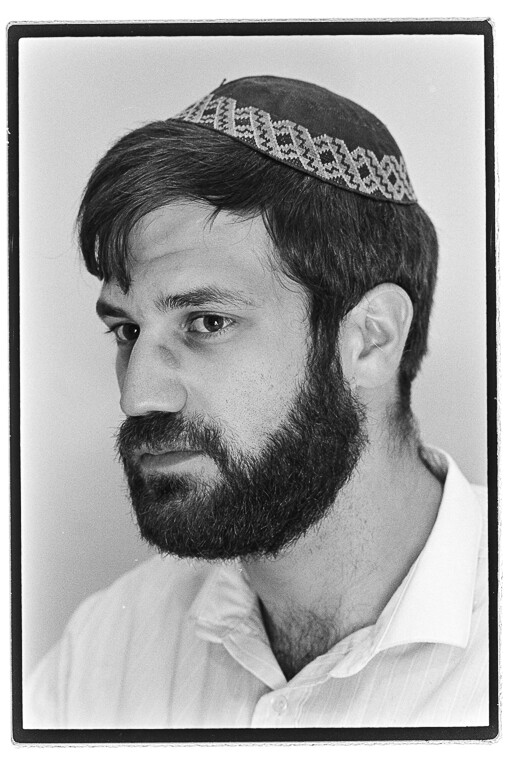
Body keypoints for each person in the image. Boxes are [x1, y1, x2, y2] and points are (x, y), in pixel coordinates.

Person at [25, 75, 488, 729]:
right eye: (127, 330)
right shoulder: (107, 650)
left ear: (370, 338)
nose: (136, 395)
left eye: (206, 322)